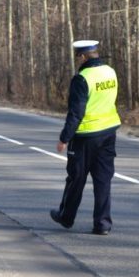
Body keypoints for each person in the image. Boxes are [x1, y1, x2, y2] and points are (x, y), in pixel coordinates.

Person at [50, 40, 121, 235]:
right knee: (103, 179)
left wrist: (64, 138)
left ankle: (66, 217)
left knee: (76, 178)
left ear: (82, 56)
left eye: (77, 57)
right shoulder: (110, 72)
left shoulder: (82, 78)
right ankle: (103, 224)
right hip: (108, 133)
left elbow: (76, 112)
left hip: (85, 137)